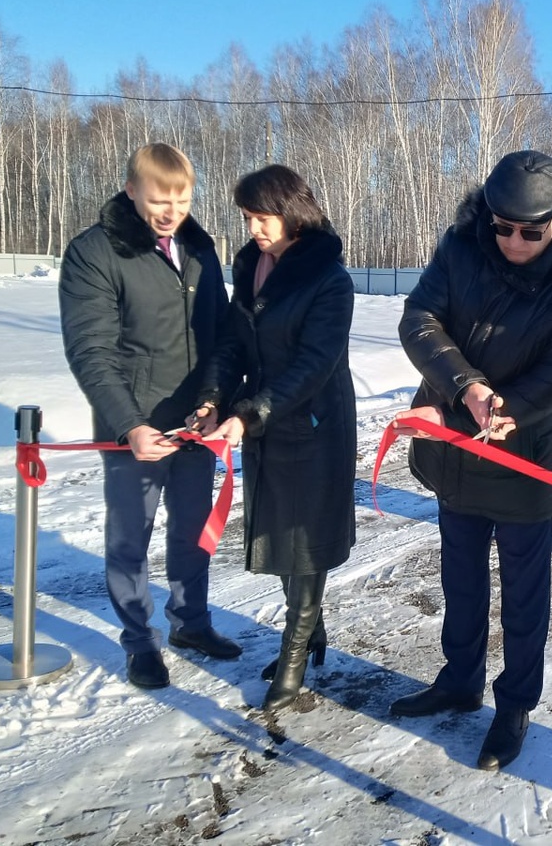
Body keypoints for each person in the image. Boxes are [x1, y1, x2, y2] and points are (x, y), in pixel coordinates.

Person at [390, 149, 552, 771]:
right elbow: (419, 320)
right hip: (458, 445)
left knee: (523, 588)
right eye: (501, 225)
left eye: (530, 231)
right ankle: (459, 678)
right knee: (459, 577)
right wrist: (467, 391)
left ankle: (514, 705)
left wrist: (507, 411)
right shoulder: (462, 247)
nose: (512, 240)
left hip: (525, 451)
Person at [59, 143, 239, 690]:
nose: (171, 210)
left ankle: (190, 623)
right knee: (129, 539)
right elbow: (91, 350)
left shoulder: (200, 248)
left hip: (194, 425)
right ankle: (139, 641)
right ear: (132, 189)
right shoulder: (96, 252)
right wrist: (129, 424)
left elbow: (220, 335)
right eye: (160, 199)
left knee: (193, 532)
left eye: (182, 199)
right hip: (134, 430)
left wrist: (214, 402)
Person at [194, 165, 357, 712]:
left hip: (313, 425)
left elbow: (314, 364)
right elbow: (234, 345)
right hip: (264, 420)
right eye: (247, 218)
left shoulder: (328, 279)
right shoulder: (253, 267)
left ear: (291, 212)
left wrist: (250, 414)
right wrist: (213, 400)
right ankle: (310, 632)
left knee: (303, 538)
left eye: (262, 217)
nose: (254, 229)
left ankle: (294, 652)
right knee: (278, 536)